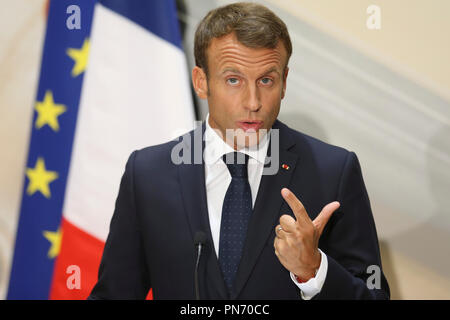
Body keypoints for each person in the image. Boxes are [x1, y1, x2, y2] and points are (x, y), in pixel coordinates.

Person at [89, 2, 390, 300]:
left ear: (284, 82)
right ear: (201, 82)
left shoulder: (333, 172)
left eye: (266, 80)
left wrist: (314, 271)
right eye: (233, 80)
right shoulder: (148, 173)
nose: (253, 102)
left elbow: (374, 295)